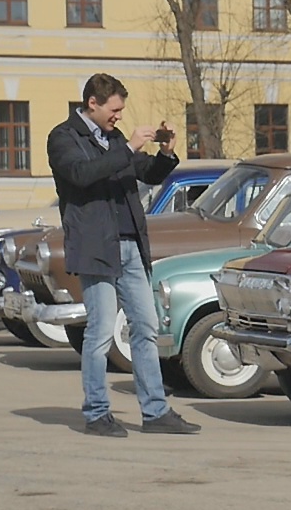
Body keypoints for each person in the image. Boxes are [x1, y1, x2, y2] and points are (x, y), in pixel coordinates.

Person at [46, 73, 200, 437]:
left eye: (121, 111)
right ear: (93, 103)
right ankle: (97, 413)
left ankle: (155, 412)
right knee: (99, 334)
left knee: (145, 328)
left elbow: (145, 172)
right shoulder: (64, 138)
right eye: (114, 110)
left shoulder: (113, 139)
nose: (118, 117)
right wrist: (128, 147)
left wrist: (165, 153)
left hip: (131, 245)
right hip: (97, 248)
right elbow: (83, 175)